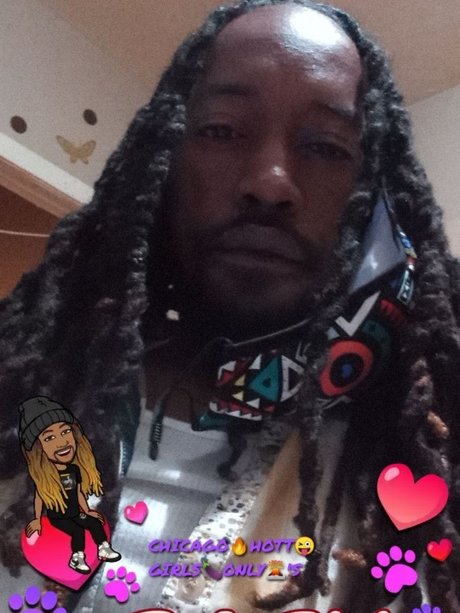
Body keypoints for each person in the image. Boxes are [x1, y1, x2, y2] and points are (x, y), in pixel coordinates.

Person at [0, 0, 459, 611]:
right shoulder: (22, 401)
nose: (270, 182)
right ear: (162, 166)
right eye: (221, 130)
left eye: (326, 147)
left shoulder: (421, 477)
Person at [19, 396, 121, 574]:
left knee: (94, 523)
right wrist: (36, 520)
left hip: (75, 511)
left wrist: (87, 510)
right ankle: (77, 558)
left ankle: (103, 548)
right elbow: (38, 498)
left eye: (65, 433)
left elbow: (78, 493)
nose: (62, 442)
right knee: (77, 531)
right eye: (50, 438)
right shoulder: (45, 474)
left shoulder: (73, 469)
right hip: (58, 516)